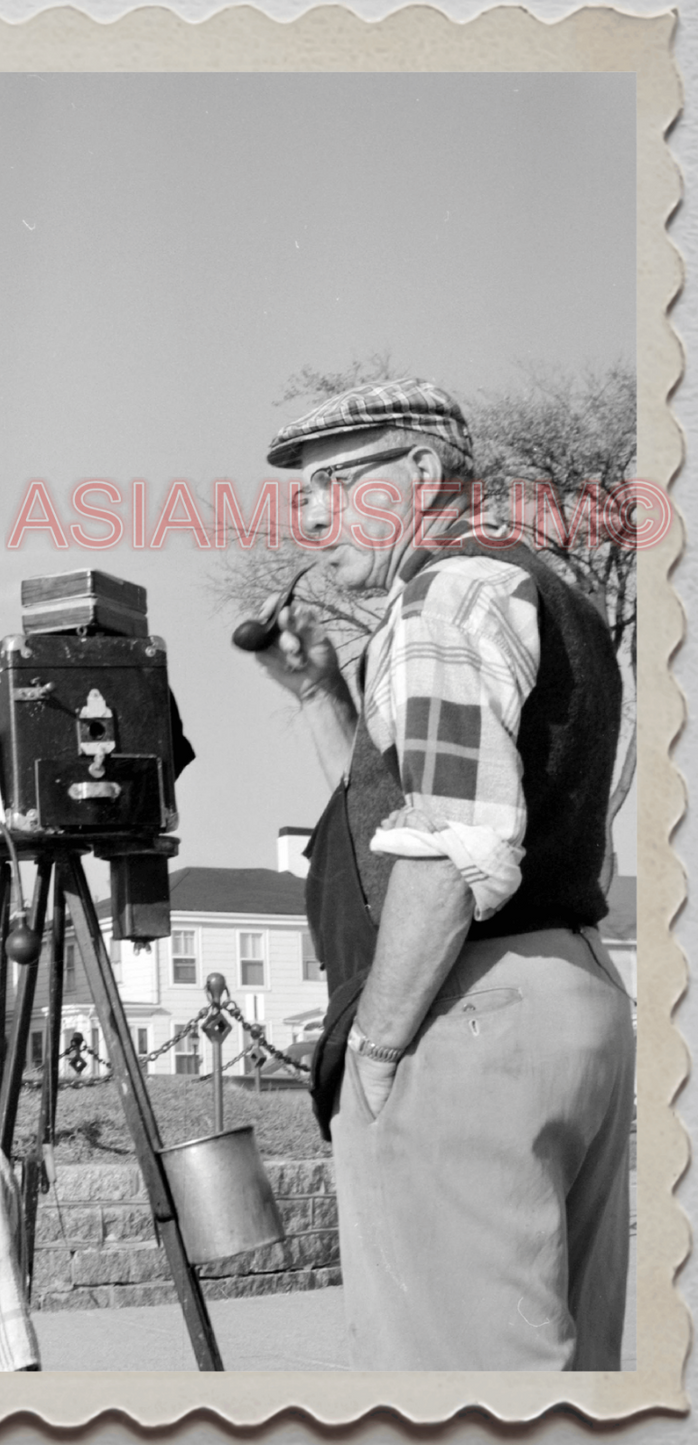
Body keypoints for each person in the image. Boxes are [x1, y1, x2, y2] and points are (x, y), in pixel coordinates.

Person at [247, 378, 633, 1370]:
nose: (312, 513)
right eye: (300, 492)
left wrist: (375, 1048)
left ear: (421, 470)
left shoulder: (440, 603)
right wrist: (319, 694)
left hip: (461, 1016)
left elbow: (453, 846)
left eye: (336, 478)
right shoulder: (544, 596)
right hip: (565, 996)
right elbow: (399, 811)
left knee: (456, 1393)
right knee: (558, 1380)